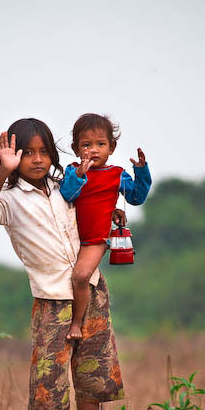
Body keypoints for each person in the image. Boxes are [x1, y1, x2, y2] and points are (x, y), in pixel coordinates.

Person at [0, 118, 124, 410]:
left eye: (44, 152)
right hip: (51, 300)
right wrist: (0, 173)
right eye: (27, 153)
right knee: (46, 381)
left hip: (91, 291)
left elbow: (96, 207)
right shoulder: (9, 199)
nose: (37, 159)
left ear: (54, 156)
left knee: (91, 378)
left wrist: (115, 214)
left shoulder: (67, 186)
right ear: (14, 157)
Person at [60, 113, 152, 340]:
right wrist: (81, 173)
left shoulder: (116, 175)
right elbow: (67, 194)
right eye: (86, 145)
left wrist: (141, 171)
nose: (94, 150)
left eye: (100, 144)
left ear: (112, 147)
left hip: (94, 240)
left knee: (80, 276)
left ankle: (76, 323)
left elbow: (136, 197)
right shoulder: (73, 171)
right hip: (67, 237)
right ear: (75, 148)